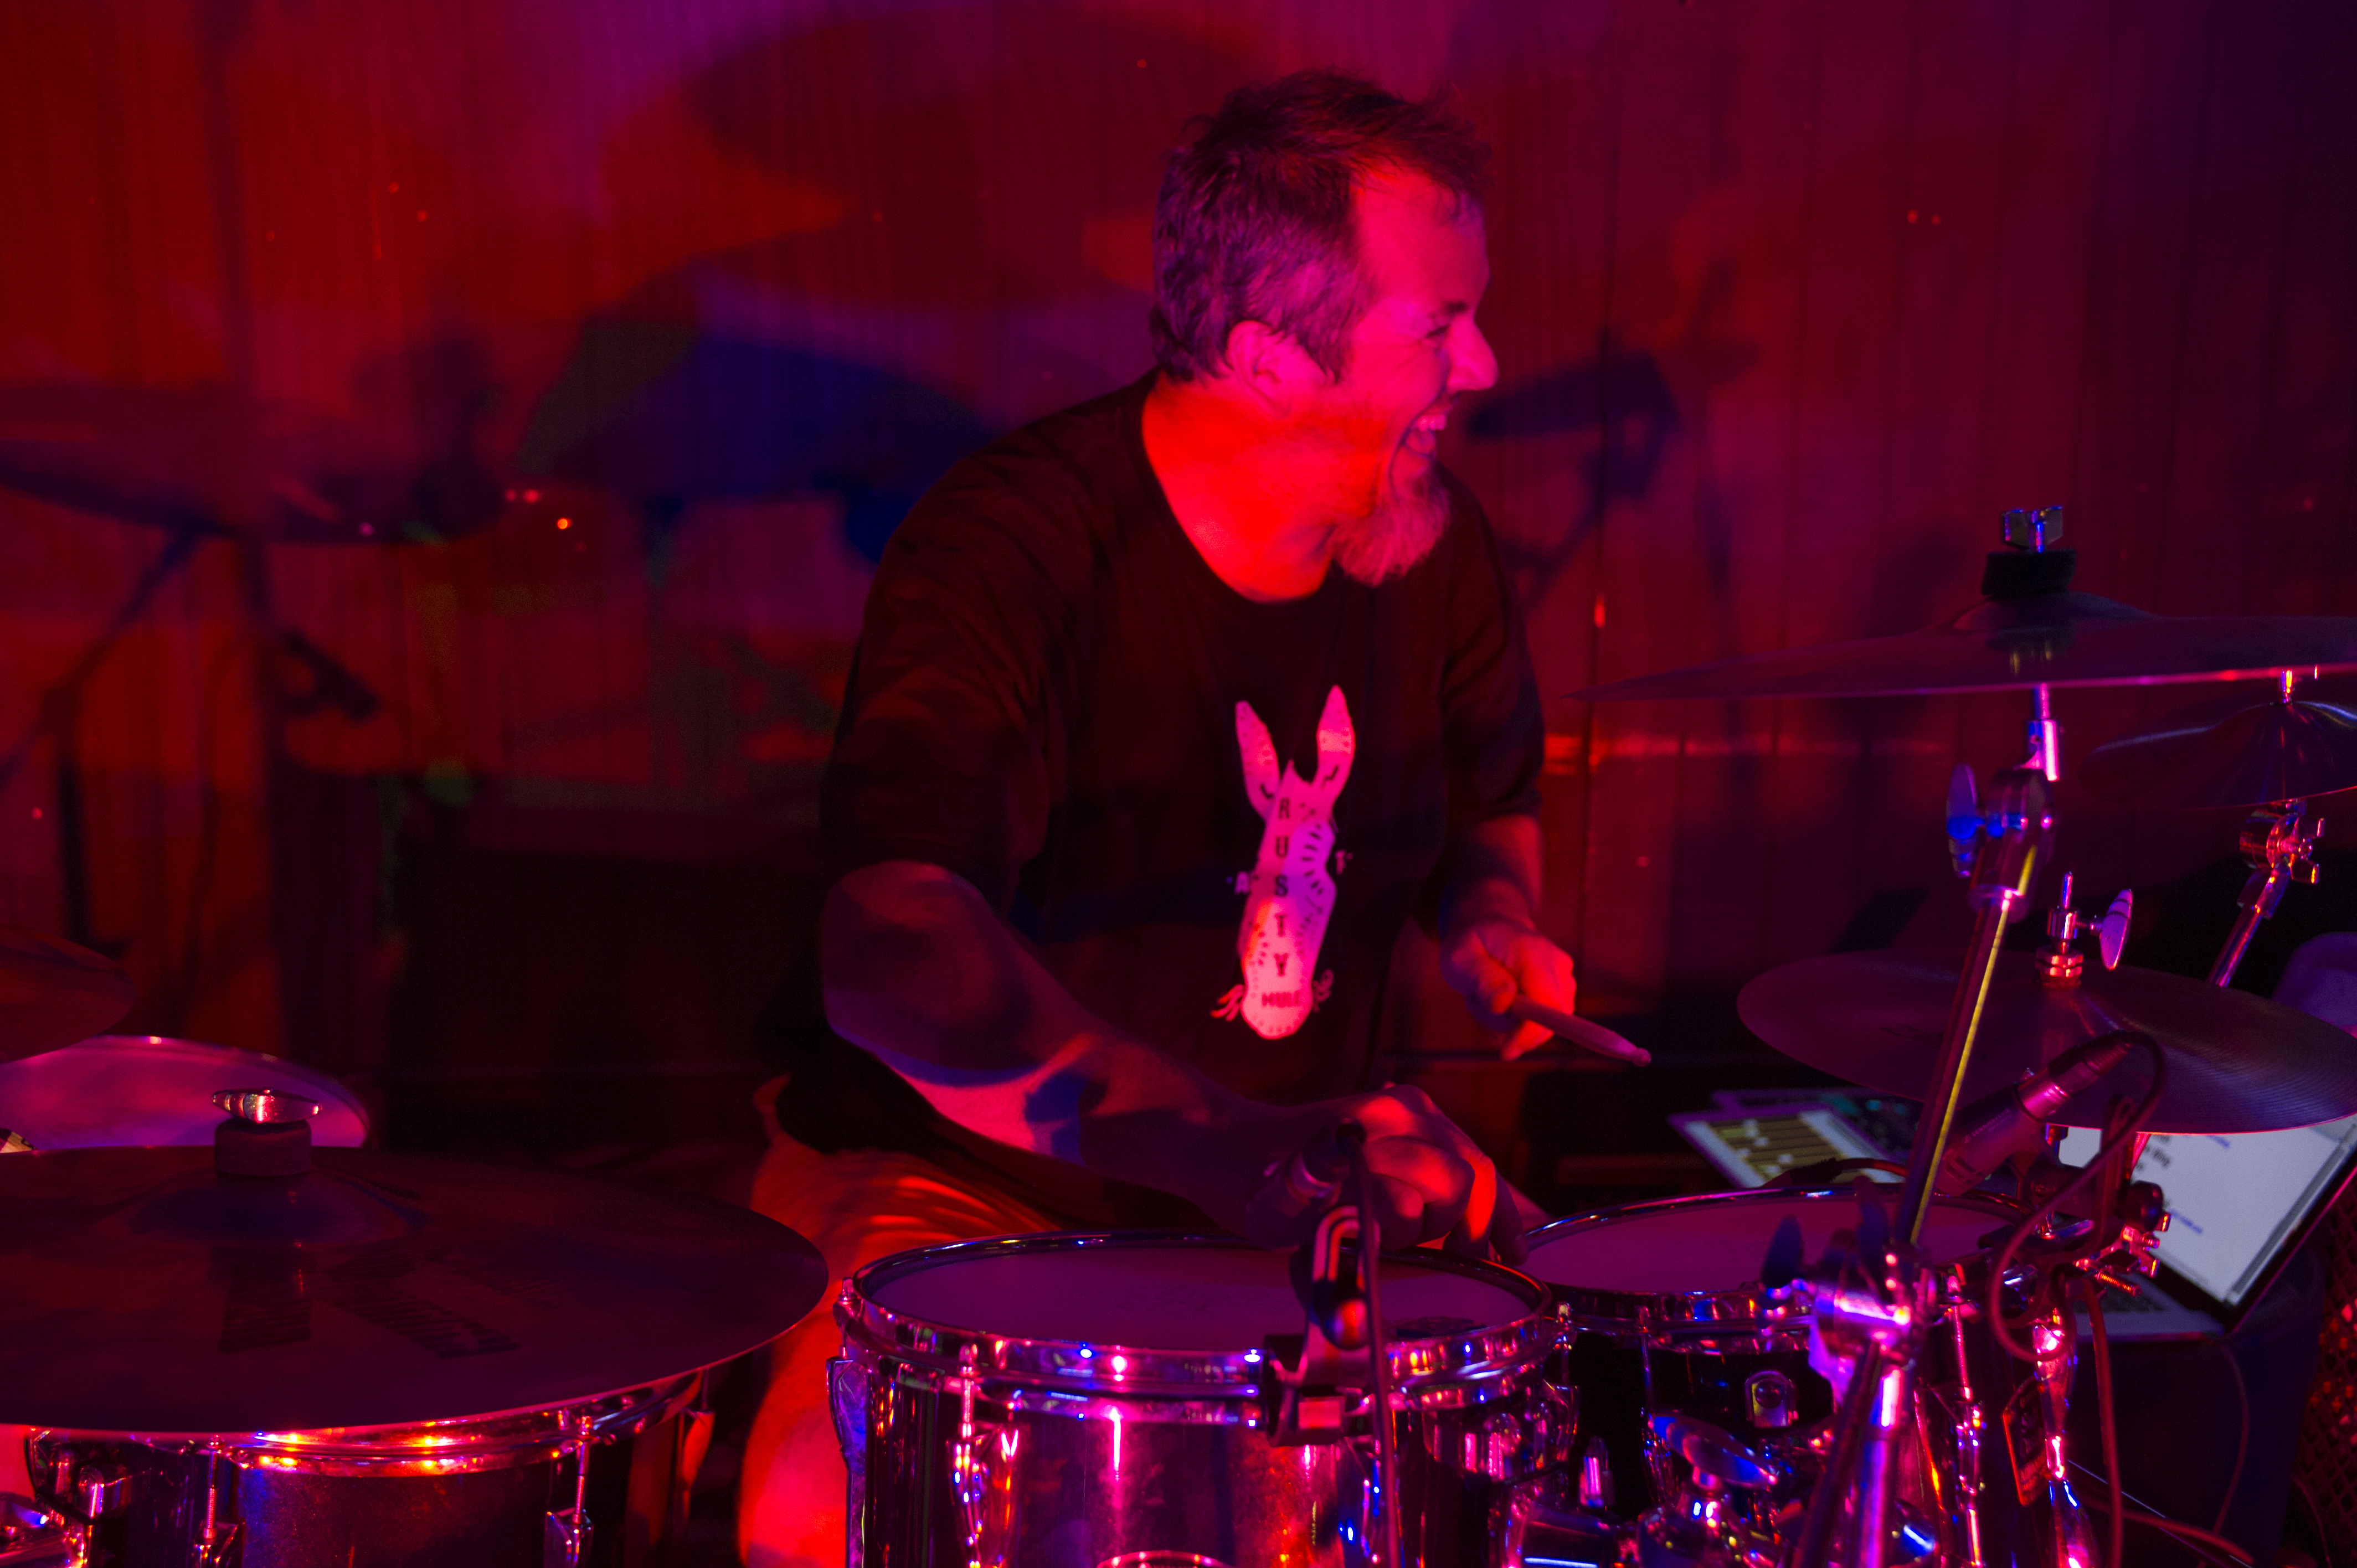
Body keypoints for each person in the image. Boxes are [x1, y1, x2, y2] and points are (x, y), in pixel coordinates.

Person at [736, 69, 1635, 1567]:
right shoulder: (1013, 547)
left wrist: (1494, 922)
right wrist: (1221, 1143)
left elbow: (1493, 801)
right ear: (1270, 359)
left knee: (1595, 1393)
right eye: (1439, 327)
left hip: (1286, 1185)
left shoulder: (1431, 541)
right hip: (959, 1177)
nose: (1483, 366)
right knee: (812, 1508)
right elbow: (894, 946)